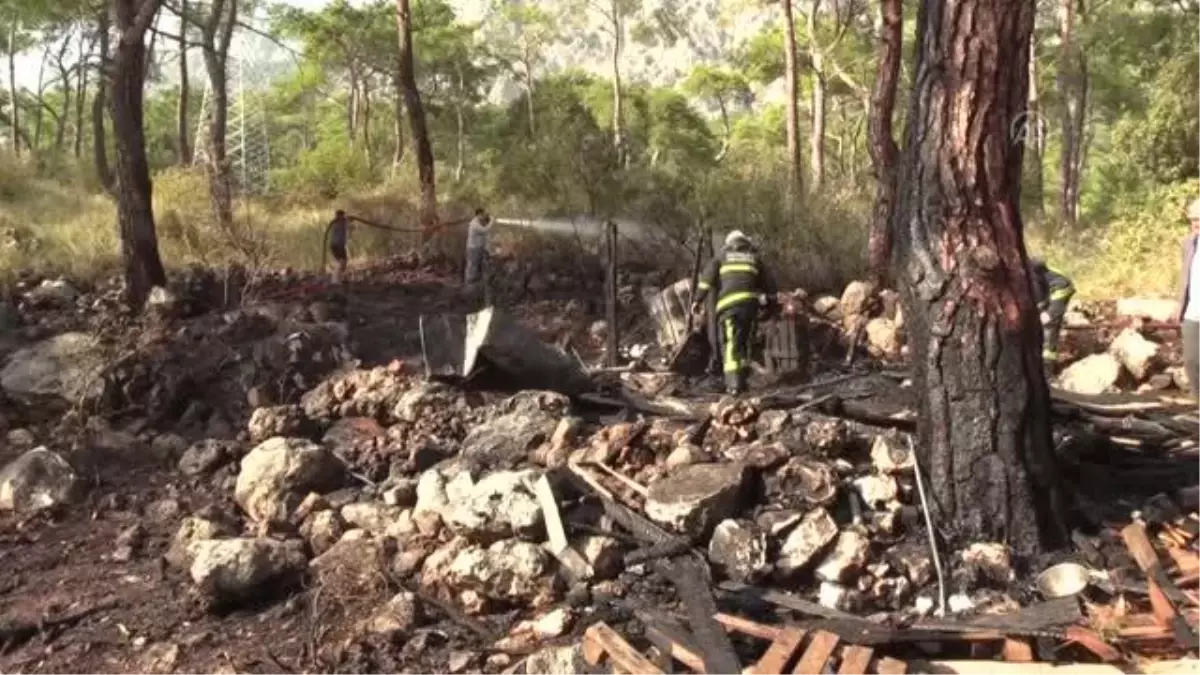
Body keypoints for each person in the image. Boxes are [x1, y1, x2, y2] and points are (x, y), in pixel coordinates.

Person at [691, 230, 778, 395]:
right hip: (750, 308)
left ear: (728, 244)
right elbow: (770, 285)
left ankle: (734, 386)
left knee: (731, 344)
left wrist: (697, 300)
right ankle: (743, 382)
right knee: (744, 343)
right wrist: (770, 303)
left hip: (729, 307)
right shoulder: (755, 259)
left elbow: (706, 281)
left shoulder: (721, 257)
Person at [1029, 257, 1075, 370]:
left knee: (1048, 324)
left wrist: (1048, 312)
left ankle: (1048, 366)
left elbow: (1040, 297)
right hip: (1050, 291)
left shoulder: (1030, 274)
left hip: (1059, 290)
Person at [1175, 198, 1200, 399]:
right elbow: (1185, 277)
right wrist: (1179, 308)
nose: (1196, 223)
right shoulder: (1189, 243)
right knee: (1192, 362)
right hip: (1193, 312)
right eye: (1193, 219)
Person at [464, 208, 492, 286]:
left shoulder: (478, 223)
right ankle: (468, 282)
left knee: (476, 265)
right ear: (479, 214)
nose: (484, 216)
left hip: (477, 247)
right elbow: (484, 230)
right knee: (472, 264)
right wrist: (492, 222)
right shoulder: (474, 223)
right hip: (473, 247)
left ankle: (473, 282)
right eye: (483, 215)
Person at [326, 209, 350, 283]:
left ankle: (337, 279)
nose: (341, 217)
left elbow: (347, 224)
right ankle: (335, 280)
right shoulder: (337, 223)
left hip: (340, 245)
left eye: (342, 215)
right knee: (340, 262)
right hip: (336, 245)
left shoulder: (343, 222)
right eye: (340, 216)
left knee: (343, 263)